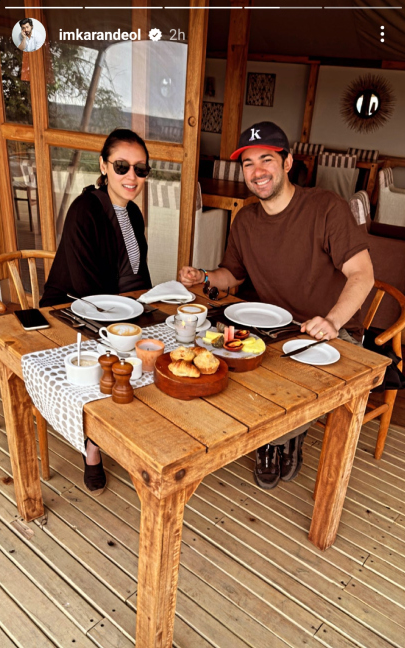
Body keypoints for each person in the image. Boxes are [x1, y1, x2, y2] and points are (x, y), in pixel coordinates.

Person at [179, 121, 374, 490]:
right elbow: (231, 275)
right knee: (217, 356)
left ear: (287, 163)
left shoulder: (325, 207)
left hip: (330, 330)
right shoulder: (246, 218)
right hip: (270, 328)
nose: (257, 172)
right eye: (248, 164)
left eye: (266, 159)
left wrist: (332, 321)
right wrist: (202, 277)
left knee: (293, 380)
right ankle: (275, 438)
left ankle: (279, 440)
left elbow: (363, 274)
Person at [41, 128, 152, 496]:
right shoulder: (84, 210)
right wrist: (125, 320)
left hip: (120, 308)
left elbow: (138, 273)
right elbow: (86, 290)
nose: (131, 177)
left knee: (152, 353)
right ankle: (93, 448)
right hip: (71, 310)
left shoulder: (132, 214)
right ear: (104, 165)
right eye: (122, 166)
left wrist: (148, 306)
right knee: (107, 359)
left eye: (140, 169)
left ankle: (130, 429)